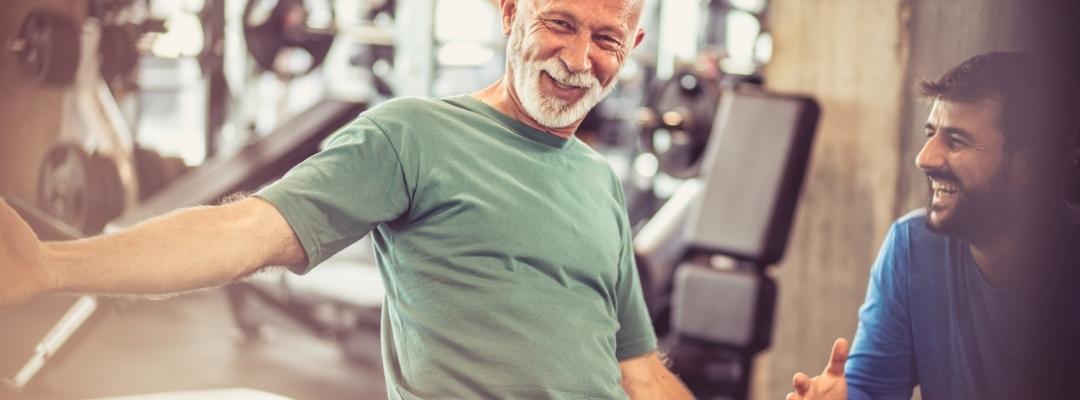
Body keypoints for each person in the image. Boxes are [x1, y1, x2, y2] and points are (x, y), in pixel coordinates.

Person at [0, 1, 695, 399]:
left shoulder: (600, 183)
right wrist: (54, 267)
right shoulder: (415, 134)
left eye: (605, 38)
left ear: (632, 45)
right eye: (560, 24)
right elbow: (248, 230)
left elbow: (638, 371)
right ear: (510, 11)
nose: (579, 59)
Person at [786, 52, 1080, 400]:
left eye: (956, 141)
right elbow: (872, 387)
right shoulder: (912, 247)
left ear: (1030, 166)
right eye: (931, 134)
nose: (924, 158)